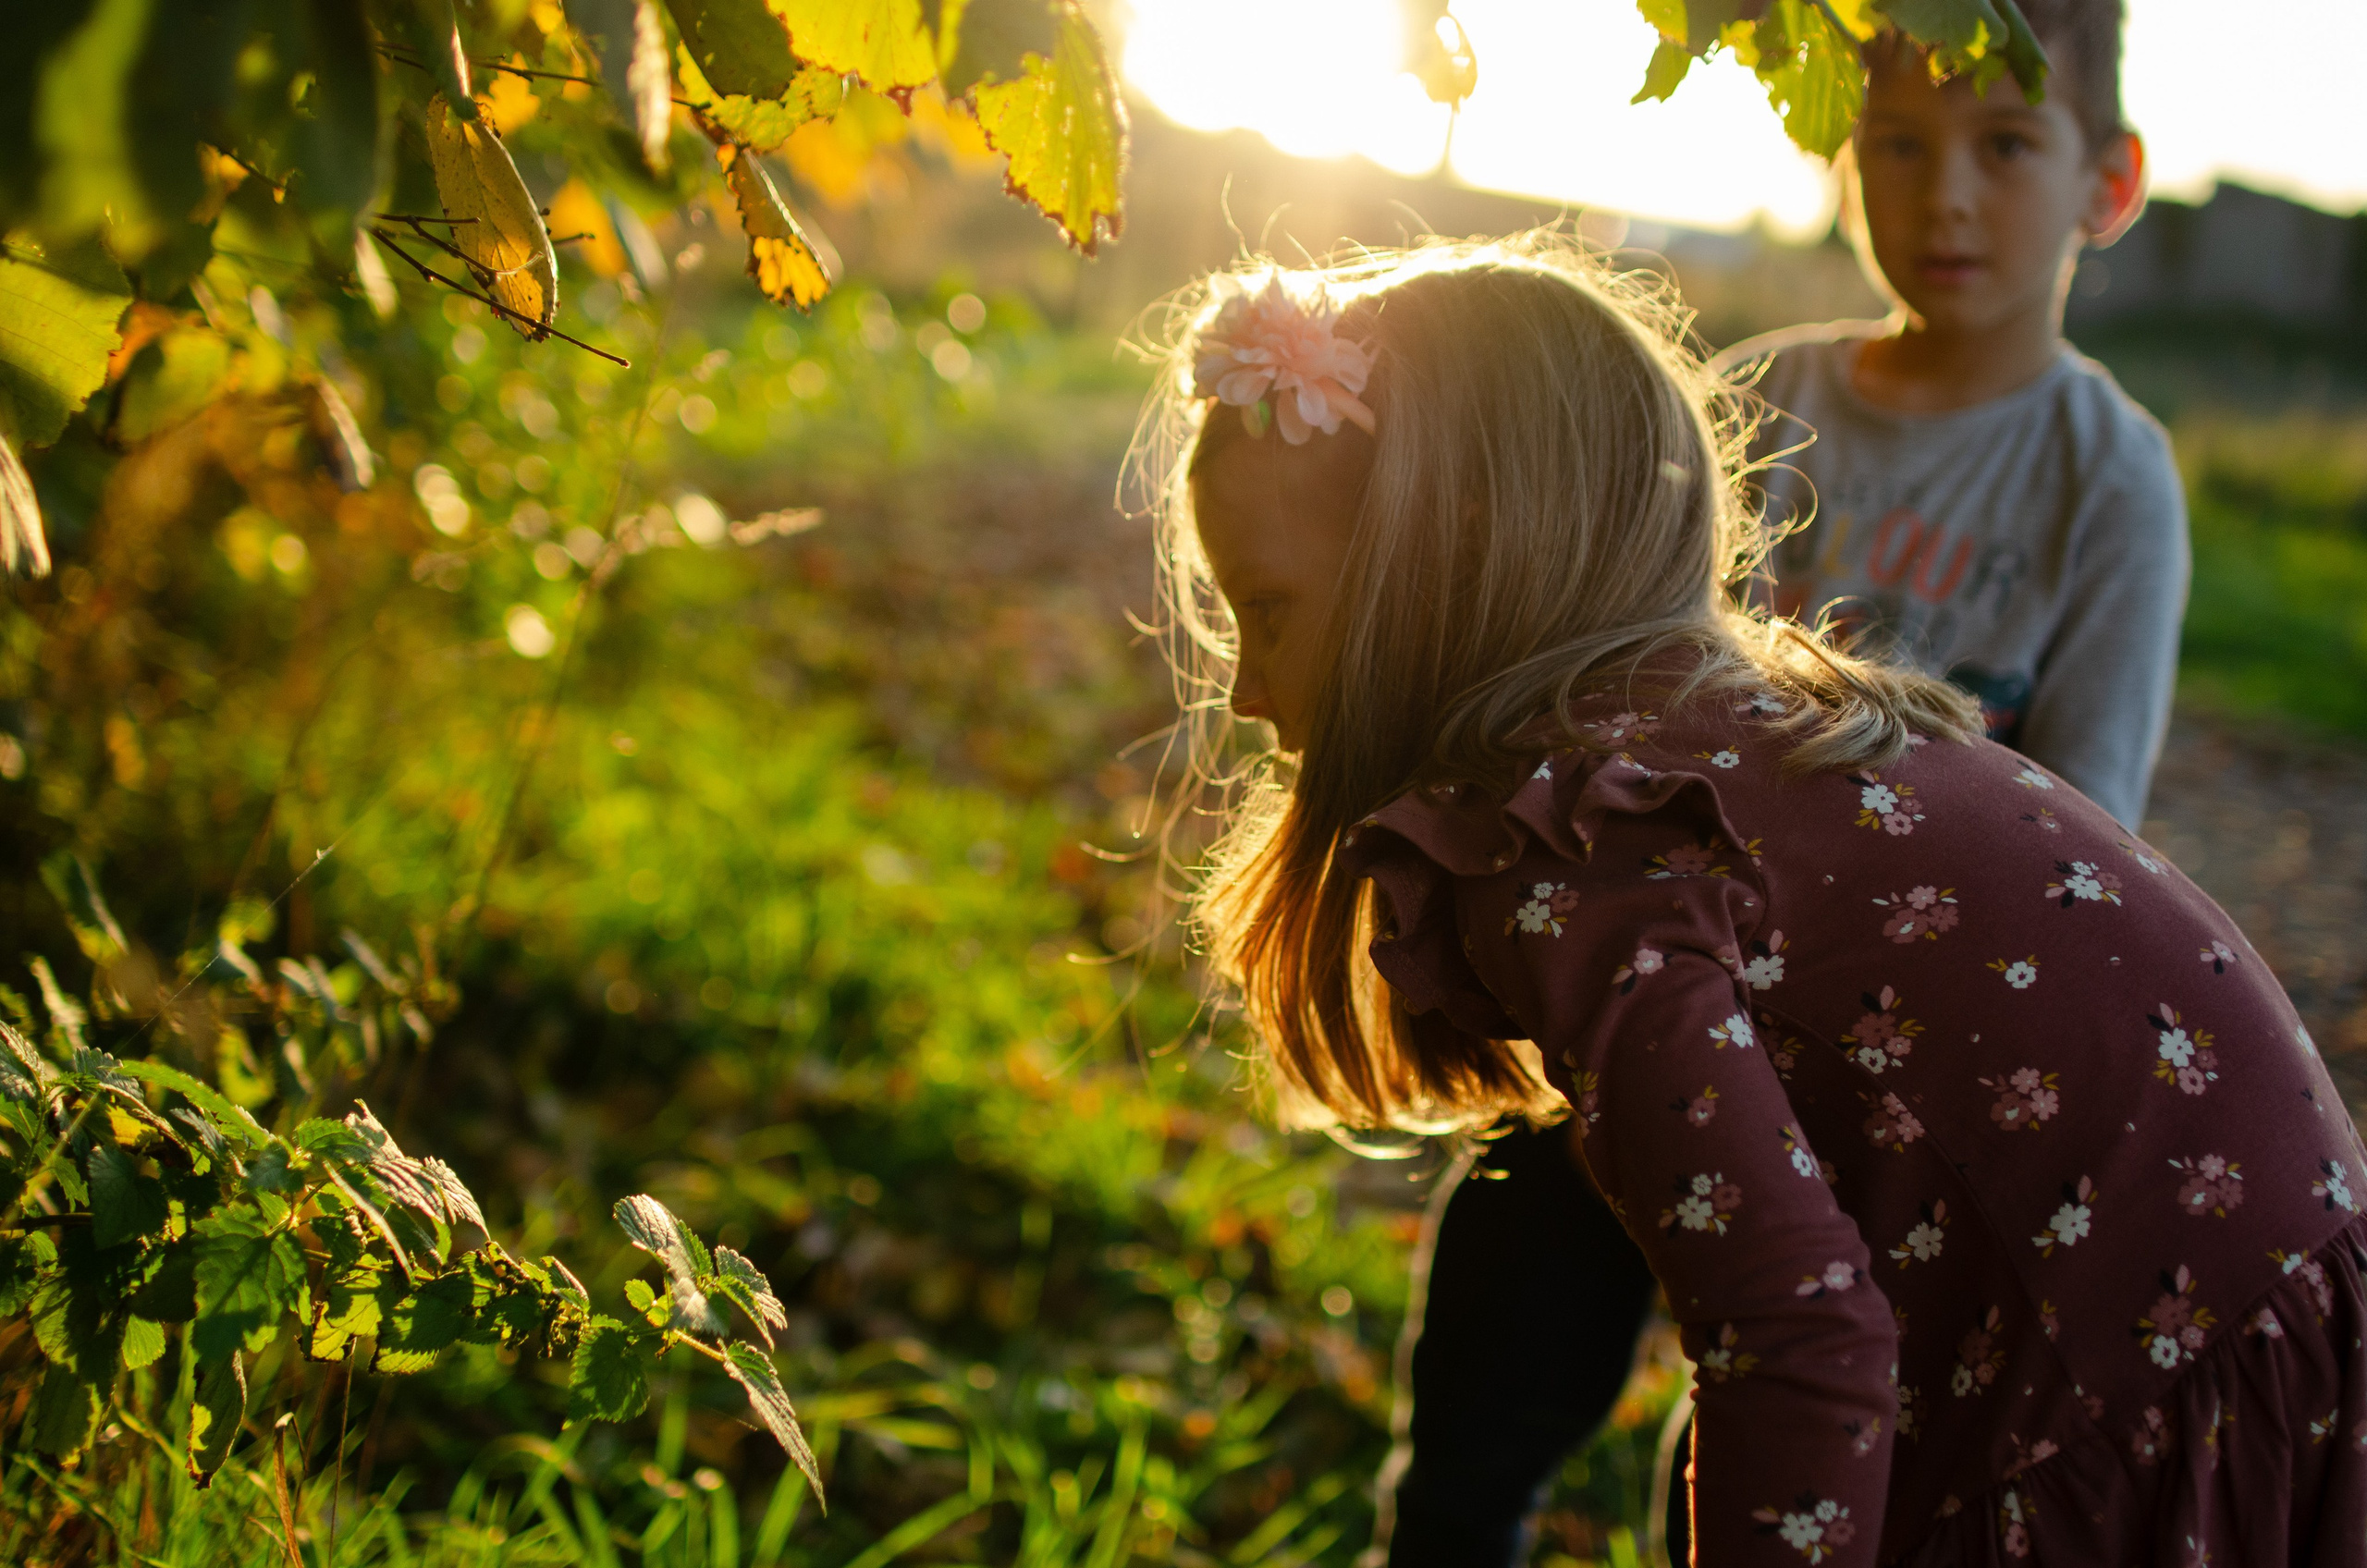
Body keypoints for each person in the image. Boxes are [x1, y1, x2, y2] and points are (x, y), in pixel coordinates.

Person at [1141, 237, 2366, 1565]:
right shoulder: (1732, 726)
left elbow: (1797, 1338)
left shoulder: (1583, 847)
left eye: (1268, 612)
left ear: (1454, 553)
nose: (1247, 691)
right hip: (2272, 1319)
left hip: (2137, 1398)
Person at [1386, 4, 2190, 1557]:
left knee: (1784, 1398)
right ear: (1843, 162)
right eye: (1898, 143)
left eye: (2004, 146)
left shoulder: (2110, 474)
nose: (1944, 193)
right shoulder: (1760, 402)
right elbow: (1607, 655)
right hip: (1634, 980)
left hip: (1869, 1069)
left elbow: (2088, 826)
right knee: (1508, 1337)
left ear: (2110, 181)